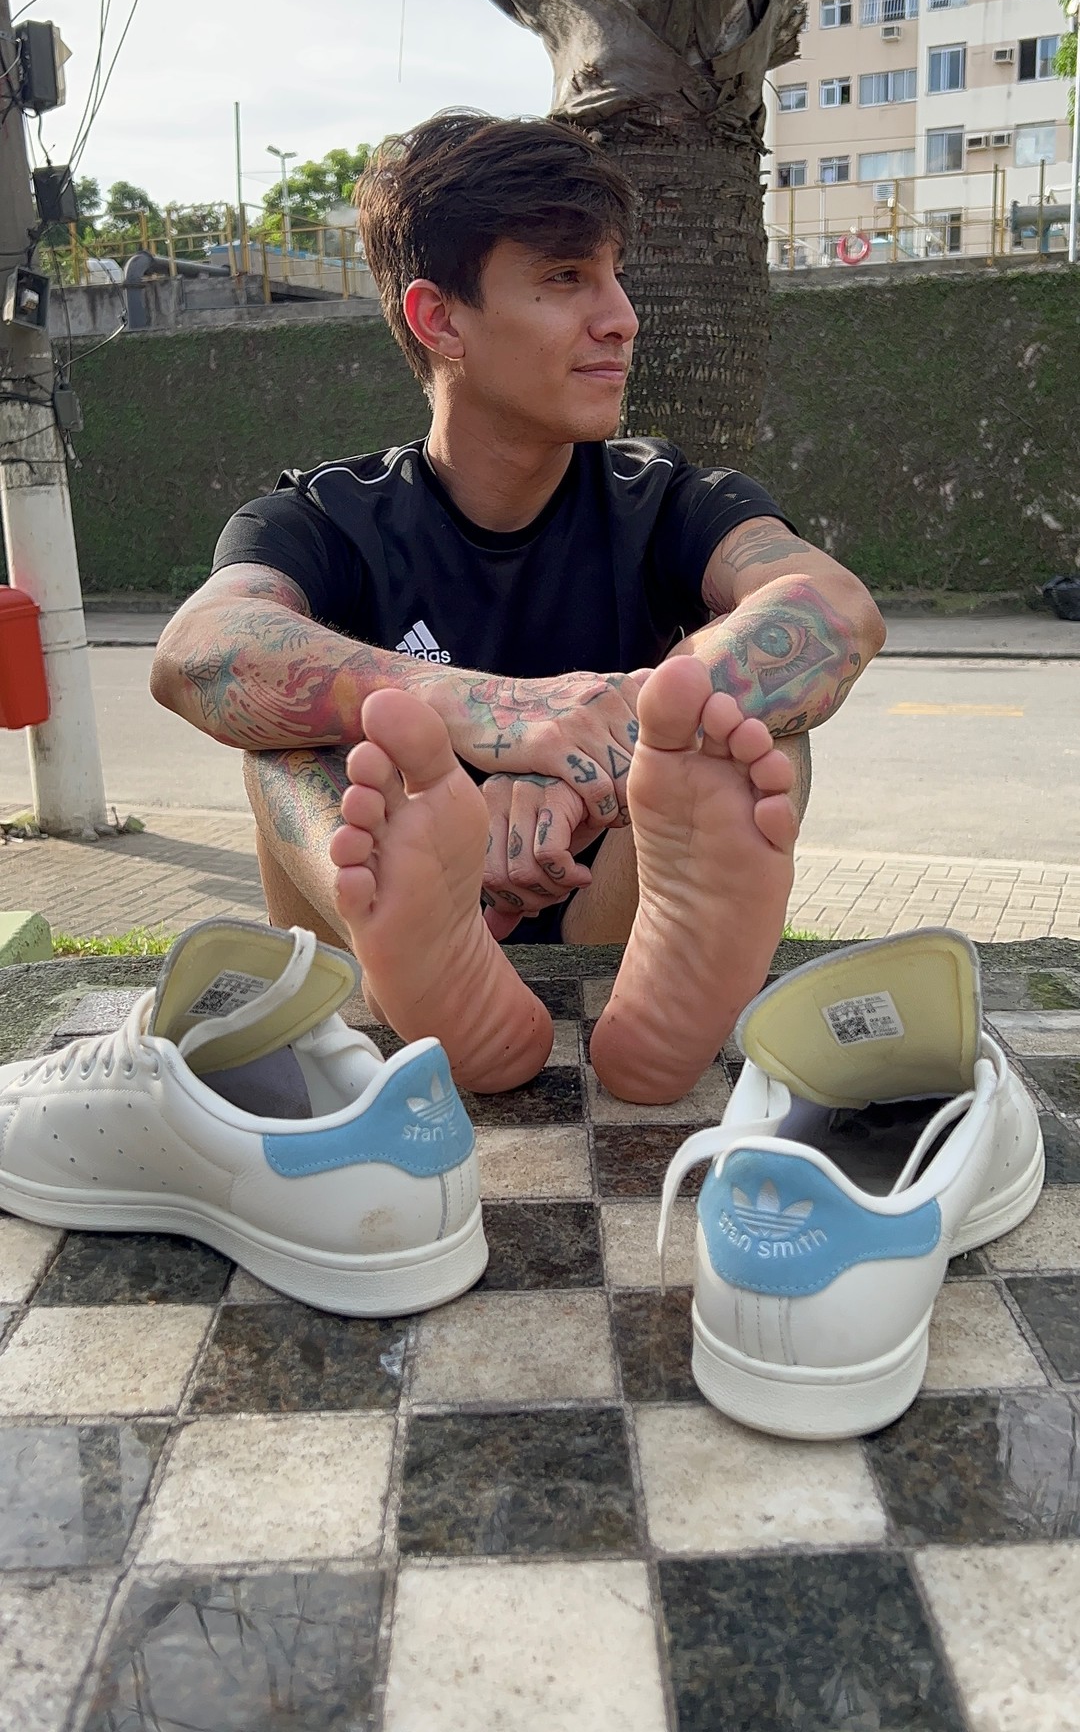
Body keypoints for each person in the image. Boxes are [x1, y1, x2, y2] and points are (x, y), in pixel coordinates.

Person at [151, 111, 885, 1104]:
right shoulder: (325, 517)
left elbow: (833, 610)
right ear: (440, 319)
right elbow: (199, 651)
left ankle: (656, 985)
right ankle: (414, 957)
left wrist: (583, 772)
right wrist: (499, 718)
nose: (621, 316)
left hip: (608, 913)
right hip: (387, 923)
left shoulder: (664, 498)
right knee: (280, 736)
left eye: (615, 275)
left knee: (752, 730)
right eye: (566, 278)